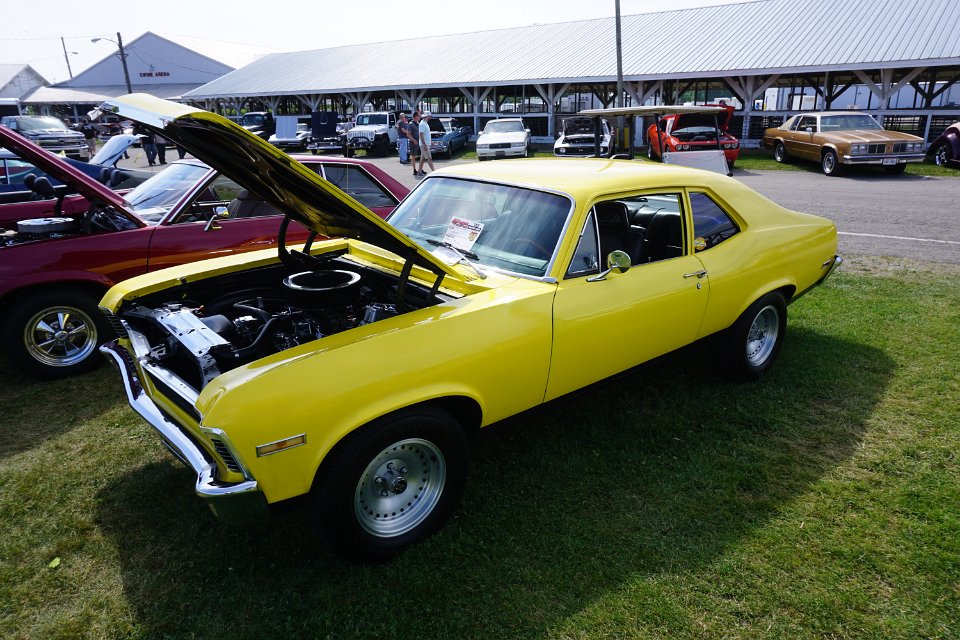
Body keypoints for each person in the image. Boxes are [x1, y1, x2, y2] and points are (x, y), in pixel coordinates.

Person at [416, 111, 435, 177]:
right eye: (429, 116)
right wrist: (425, 145)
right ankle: (434, 172)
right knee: (429, 158)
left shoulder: (425, 123)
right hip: (424, 144)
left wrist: (430, 142)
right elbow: (421, 135)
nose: (430, 117)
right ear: (427, 116)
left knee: (423, 158)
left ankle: (419, 171)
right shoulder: (422, 124)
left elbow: (426, 134)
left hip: (426, 143)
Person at [409, 111, 422, 176]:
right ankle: (414, 170)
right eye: (419, 116)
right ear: (416, 116)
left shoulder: (418, 123)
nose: (420, 117)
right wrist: (413, 140)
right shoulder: (411, 124)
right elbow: (408, 134)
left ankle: (420, 169)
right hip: (413, 143)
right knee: (413, 156)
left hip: (419, 142)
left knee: (421, 156)